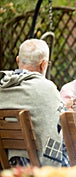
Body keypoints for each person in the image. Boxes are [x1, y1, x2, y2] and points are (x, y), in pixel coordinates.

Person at [0, 39, 64, 167]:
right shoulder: (46, 88)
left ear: (18, 60)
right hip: (35, 167)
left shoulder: (3, 86)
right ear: (44, 64)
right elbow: (55, 131)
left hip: (6, 165)